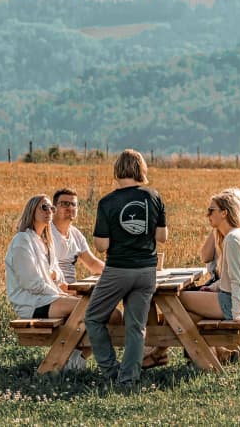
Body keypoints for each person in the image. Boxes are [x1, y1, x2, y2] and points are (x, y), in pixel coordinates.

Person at [84, 149, 168, 388]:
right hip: (147, 270)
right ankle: (128, 379)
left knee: (93, 318)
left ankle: (111, 371)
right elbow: (162, 236)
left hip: (118, 270)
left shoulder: (108, 202)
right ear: (141, 169)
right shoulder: (154, 196)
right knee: (136, 326)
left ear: (117, 170)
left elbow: (101, 246)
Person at [180, 188, 240, 363]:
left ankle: (202, 357)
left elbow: (237, 281)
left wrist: (236, 317)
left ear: (224, 213)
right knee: (190, 317)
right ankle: (209, 357)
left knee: (179, 299)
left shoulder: (233, 239)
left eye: (211, 210)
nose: (207, 215)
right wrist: (212, 287)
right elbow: (230, 278)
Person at [5, 194, 87, 371]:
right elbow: (31, 283)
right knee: (90, 308)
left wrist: (64, 287)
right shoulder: (22, 241)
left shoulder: (46, 242)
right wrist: (59, 293)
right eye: (44, 207)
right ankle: (68, 361)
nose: (49, 211)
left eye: (52, 208)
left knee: (104, 309)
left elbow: (57, 274)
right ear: (31, 210)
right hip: (32, 303)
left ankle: (75, 358)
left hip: (48, 297)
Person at [51, 188, 104, 284]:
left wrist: (116, 273)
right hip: (52, 290)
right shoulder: (46, 232)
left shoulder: (76, 235)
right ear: (53, 208)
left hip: (73, 288)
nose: (70, 208)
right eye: (65, 204)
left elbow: (92, 263)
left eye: (73, 204)